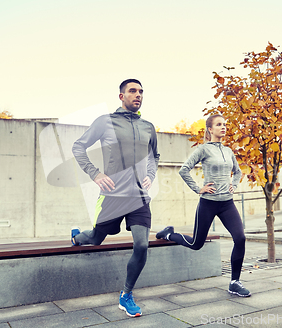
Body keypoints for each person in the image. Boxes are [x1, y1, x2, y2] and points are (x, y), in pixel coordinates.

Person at [71, 79, 160, 317]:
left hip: (139, 197)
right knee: (95, 238)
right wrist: (95, 173)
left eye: (141, 91)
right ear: (121, 96)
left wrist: (150, 174)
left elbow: (154, 156)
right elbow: (78, 147)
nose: (138, 94)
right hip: (111, 195)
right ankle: (77, 237)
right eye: (133, 91)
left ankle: (126, 294)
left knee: (141, 245)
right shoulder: (105, 122)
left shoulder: (148, 127)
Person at [156, 114, 251, 297]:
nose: (223, 127)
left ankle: (234, 282)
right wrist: (198, 189)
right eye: (218, 124)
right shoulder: (203, 150)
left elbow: (238, 172)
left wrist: (234, 184)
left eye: (224, 124)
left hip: (227, 203)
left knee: (240, 238)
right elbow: (184, 170)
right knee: (196, 243)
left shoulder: (229, 151)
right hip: (208, 204)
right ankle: (168, 234)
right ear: (210, 129)